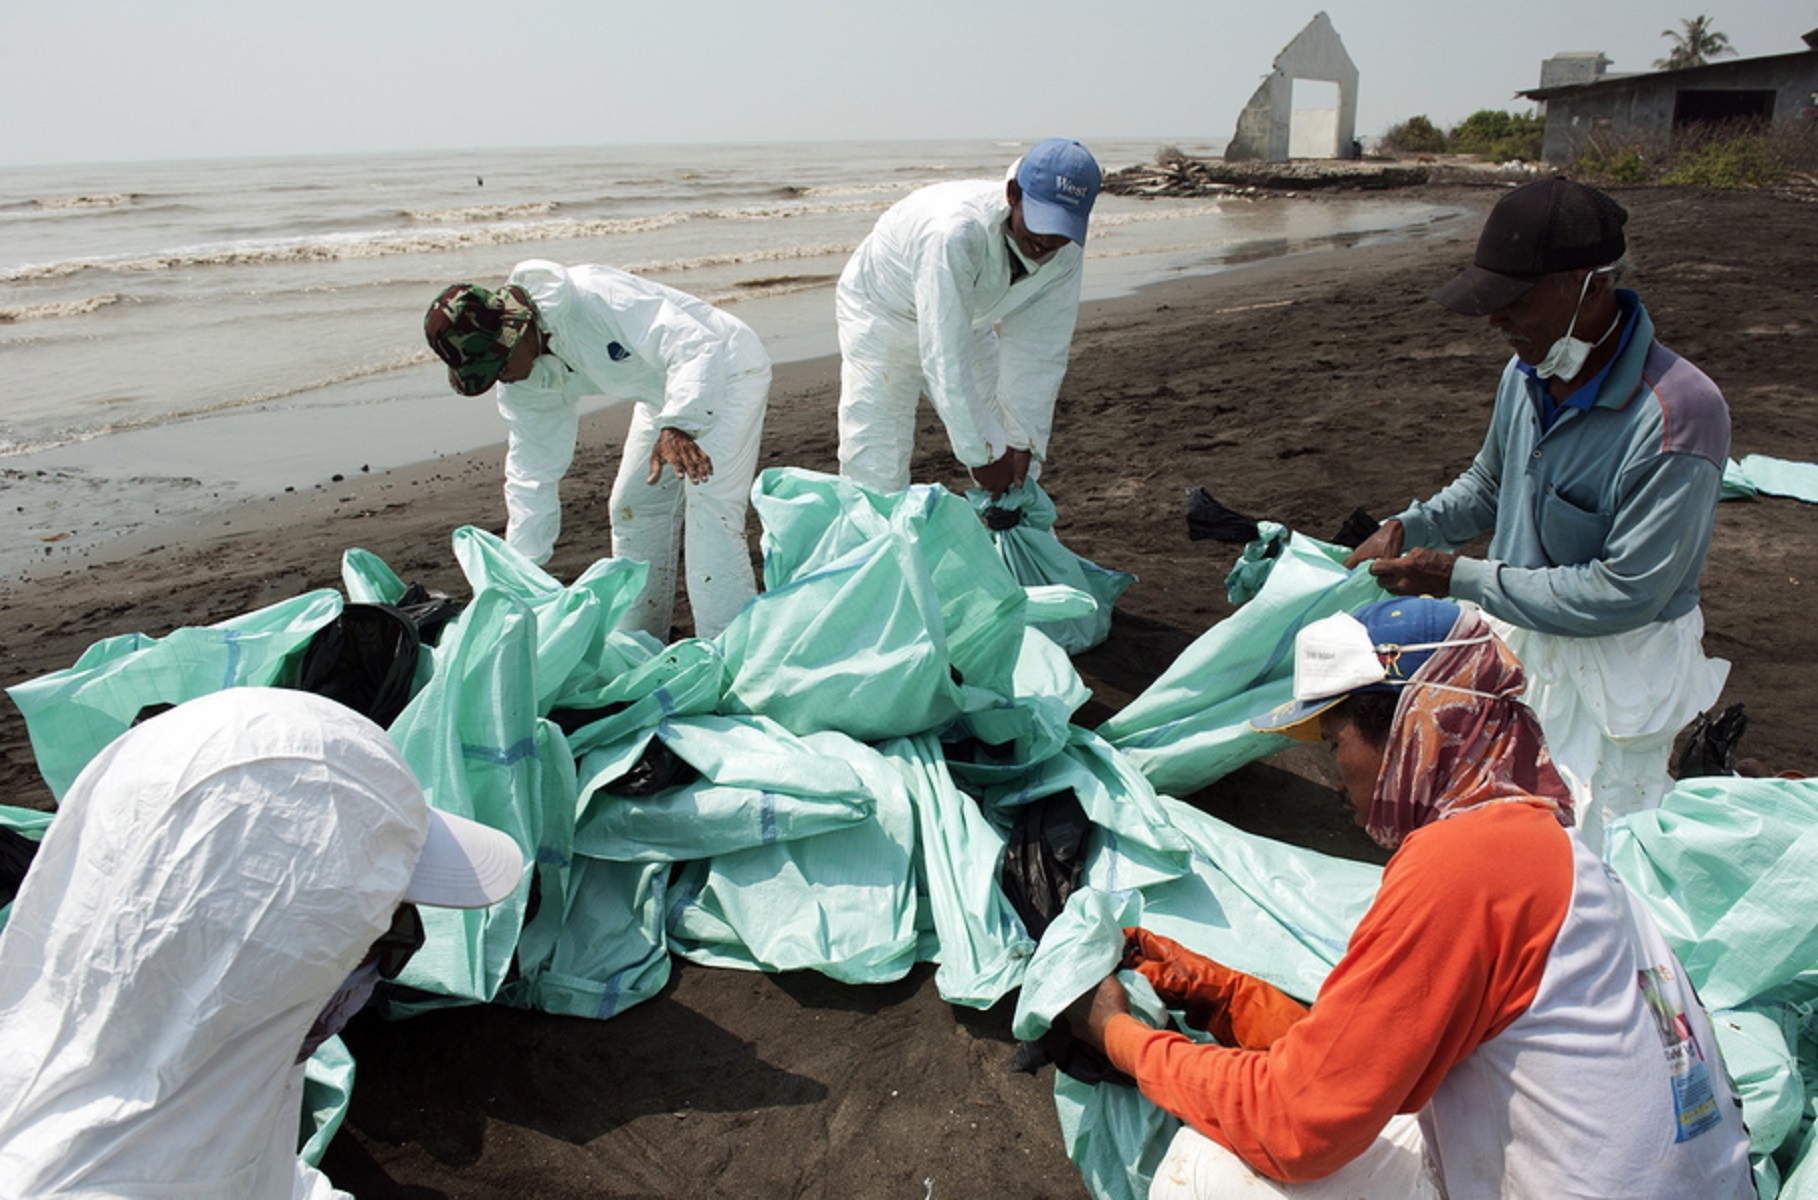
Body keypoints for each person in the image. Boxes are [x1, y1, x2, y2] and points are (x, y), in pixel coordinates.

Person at [1066, 598, 1754, 1199]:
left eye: (1336, 744)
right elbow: (1368, 1063)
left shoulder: (1463, 865)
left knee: (1204, 1172)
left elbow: (1296, 1125)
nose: (1335, 778)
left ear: (1415, 727)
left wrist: (1119, 1036)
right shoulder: (1550, 851)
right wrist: (1227, 996)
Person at [0, 688, 525, 1200]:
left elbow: (271, 1177)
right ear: (265, 962)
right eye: (384, 938)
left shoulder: (226, 1054)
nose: (383, 971)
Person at [1343, 178, 1730, 849]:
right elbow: (1492, 482)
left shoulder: (1677, 415)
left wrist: (1456, 575)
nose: (1499, 321)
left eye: (1515, 302)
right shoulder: (1526, 372)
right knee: (1504, 823)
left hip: (1618, 669)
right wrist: (1413, 525)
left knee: (1597, 844)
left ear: (1587, 284)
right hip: (1521, 640)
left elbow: (1624, 593)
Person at [425, 260, 771, 639]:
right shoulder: (522, 384)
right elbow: (531, 475)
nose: (499, 380)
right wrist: (518, 577)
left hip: (727, 366)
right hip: (661, 398)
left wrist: (680, 424)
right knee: (632, 506)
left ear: (514, 332)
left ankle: (729, 646)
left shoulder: (593, 295)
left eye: (498, 367)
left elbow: (694, 345)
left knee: (711, 509)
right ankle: (640, 639)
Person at [835, 137, 1101, 496]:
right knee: (877, 463)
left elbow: (1040, 350)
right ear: (1012, 194)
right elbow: (945, 356)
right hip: (882, 314)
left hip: (969, 317)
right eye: (1041, 222)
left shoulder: (1065, 250)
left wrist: (1022, 443)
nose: (1049, 240)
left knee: (1014, 456)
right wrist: (981, 456)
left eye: (1063, 227)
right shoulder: (954, 232)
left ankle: (1012, 542)